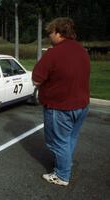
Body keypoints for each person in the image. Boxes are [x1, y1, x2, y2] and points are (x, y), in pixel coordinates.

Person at [32, 17, 90, 186]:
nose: (50, 36)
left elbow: (36, 79)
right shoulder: (82, 51)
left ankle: (62, 175)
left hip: (60, 107)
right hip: (81, 105)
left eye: (51, 33)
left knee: (56, 142)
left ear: (58, 33)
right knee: (70, 138)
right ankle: (65, 164)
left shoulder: (53, 53)